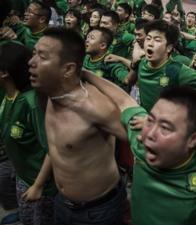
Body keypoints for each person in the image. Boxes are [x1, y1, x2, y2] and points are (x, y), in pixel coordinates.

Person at [83, 69, 196, 225]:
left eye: (165, 128)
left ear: (193, 140)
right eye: (152, 121)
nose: (150, 135)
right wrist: (85, 73)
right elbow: (123, 101)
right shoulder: (142, 137)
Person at [28, 27, 128, 225]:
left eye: (42, 56)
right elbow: (59, 146)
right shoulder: (52, 93)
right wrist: (39, 184)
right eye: (34, 54)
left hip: (98, 212)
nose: (31, 63)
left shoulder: (96, 107)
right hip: (63, 203)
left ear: (68, 69)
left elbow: (143, 145)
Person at [0, 42, 57, 225]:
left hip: (39, 183)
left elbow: (52, 148)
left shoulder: (31, 103)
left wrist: (38, 186)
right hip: (23, 174)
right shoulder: (7, 94)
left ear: (4, 73)